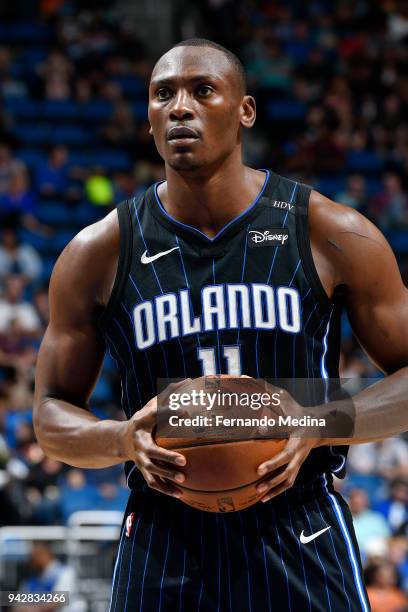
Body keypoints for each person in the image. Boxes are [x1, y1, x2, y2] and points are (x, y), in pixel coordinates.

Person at [33, 39, 408, 611]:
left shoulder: (329, 231)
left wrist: (318, 422)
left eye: (202, 90)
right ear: (150, 120)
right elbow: (49, 414)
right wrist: (118, 438)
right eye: (164, 95)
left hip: (299, 523)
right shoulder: (97, 253)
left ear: (245, 111)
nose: (180, 107)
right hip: (164, 531)